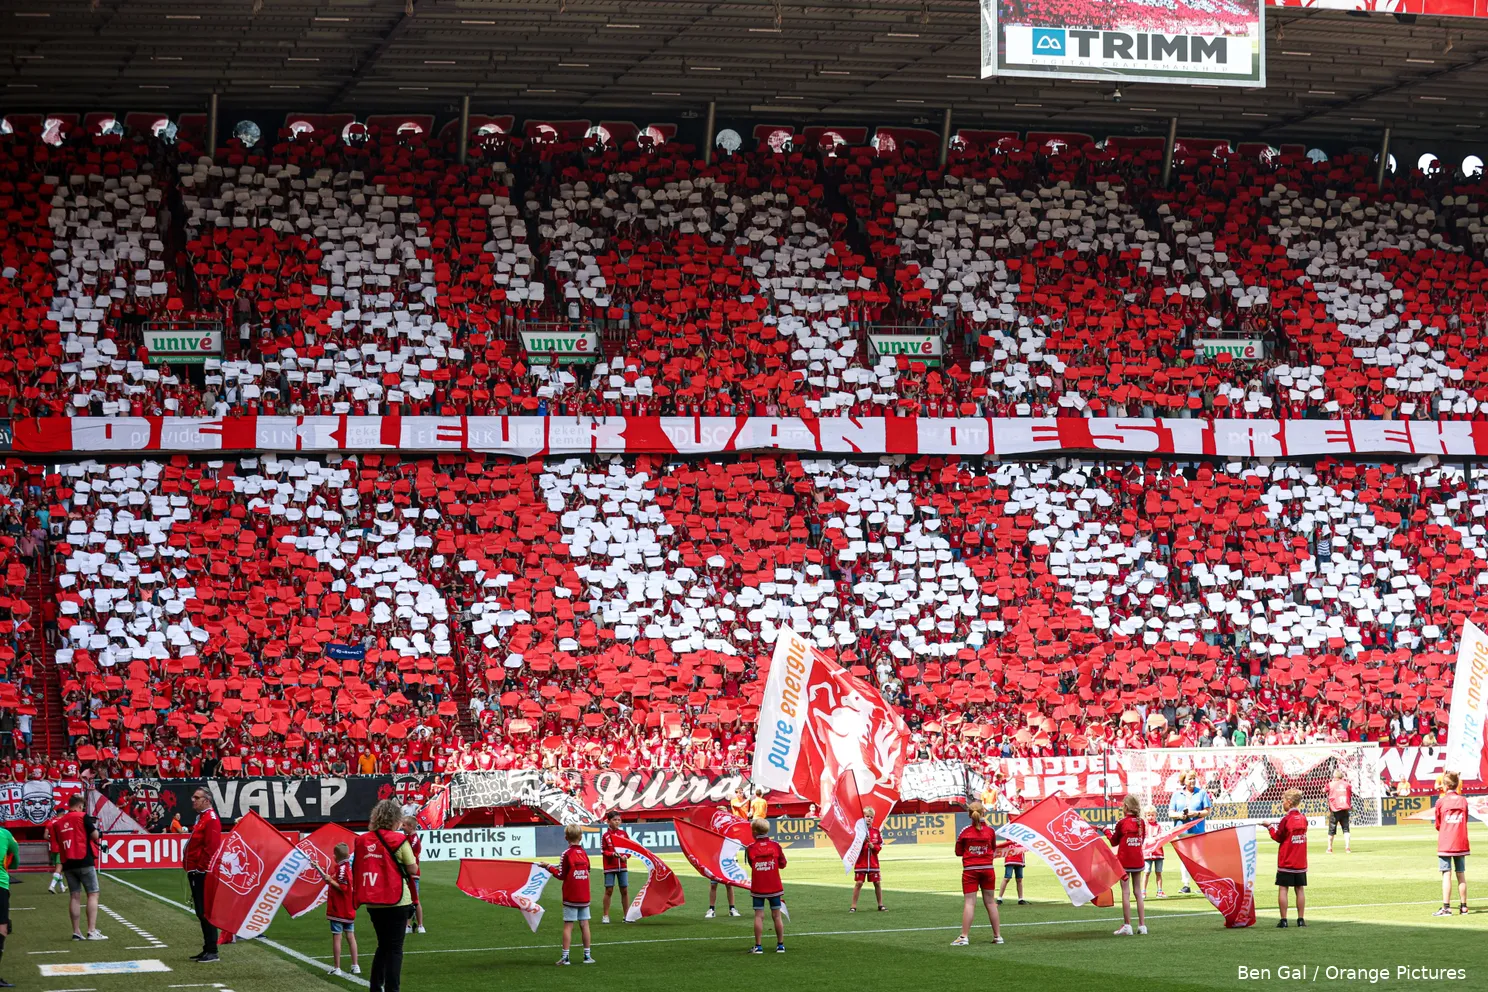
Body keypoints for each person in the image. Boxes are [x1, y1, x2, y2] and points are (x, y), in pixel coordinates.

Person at [355, 799, 419, 992]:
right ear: (396, 819)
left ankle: (375, 987)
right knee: (395, 949)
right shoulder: (399, 840)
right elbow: (412, 868)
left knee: (382, 945)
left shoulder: (362, 839)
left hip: (373, 900)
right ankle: (392, 988)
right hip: (397, 899)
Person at [49, 794, 104, 940]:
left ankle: (76, 932)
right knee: (92, 894)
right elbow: (95, 836)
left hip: (67, 861)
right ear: (80, 806)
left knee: (74, 895)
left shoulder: (59, 822)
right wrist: (98, 832)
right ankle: (91, 931)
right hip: (84, 860)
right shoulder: (82, 816)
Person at [951, 801, 1002, 946]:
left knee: (969, 903)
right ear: (983, 812)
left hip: (970, 870)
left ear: (969, 814)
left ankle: (964, 936)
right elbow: (993, 849)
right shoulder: (990, 831)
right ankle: (997, 936)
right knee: (991, 902)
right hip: (988, 869)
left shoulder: (965, 831)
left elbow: (958, 852)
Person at [183, 788, 223, 962]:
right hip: (195, 870)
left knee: (204, 910)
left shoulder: (211, 820)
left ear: (207, 800)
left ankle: (212, 950)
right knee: (201, 910)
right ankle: (208, 948)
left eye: (197, 797)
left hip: (202, 872)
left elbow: (211, 848)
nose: (193, 800)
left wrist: (201, 869)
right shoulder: (202, 818)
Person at [546, 823, 594, 965]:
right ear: (581, 837)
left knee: (568, 925)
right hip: (584, 895)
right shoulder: (584, 853)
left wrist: (548, 867)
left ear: (566, 837)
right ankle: (587, 956)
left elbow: (561, 875)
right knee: (584, 924)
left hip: (571, 895)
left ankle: (565, 957)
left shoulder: (566, 854)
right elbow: (588, 870)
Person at [1105, 795, 1148, 935]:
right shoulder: (1141, 822)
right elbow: (1141, 840)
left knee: (1125, 891)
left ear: (1126, 807)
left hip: (1124, 861)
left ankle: (1127, 925)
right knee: (1138, 892)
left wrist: (1105, 830)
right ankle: (1142, 925)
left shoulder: (1122, 823)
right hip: (1138, 861)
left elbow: (1113, 841)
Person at [744, 818, 786, 954]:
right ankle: (780, 945)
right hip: (775, 886)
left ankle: (758, 946)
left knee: (758, 916)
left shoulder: (750, 848)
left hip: (758, 887)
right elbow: (783, 864)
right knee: (777, 915)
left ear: (754, 832)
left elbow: (752, 864)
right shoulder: (775, 846)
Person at [1268, 788, 1308, 928]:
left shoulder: (1286, 819)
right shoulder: (1303, 819)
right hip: (1300, 861)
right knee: (1300, 889)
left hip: (1286, 860)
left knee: (1283, 889)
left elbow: (1278, 837)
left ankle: (1284, 920)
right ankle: (1301, 919)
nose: (1282, 803)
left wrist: (1269, 827)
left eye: (1283, 801)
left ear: (1289, 802)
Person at [1168, 771, 1212, 894]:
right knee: (1185, 858)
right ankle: (1186, 884)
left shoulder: (1202, 793)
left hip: (1197, 830)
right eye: (1190, 779)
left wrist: (1196, 813)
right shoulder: (1177, 794)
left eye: (1194, 778)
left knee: (1199, 858)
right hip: (1182, 830)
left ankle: (1203, 885)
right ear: (1184, 780)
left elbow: (1207, 811)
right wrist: (1180, 815)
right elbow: (1171, 813)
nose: (1192, 781)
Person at [1433, 771, 1470, 917]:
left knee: (1446, 874)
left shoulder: (1441, 801)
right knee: (1461, 874)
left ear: (1446, 785)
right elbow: (1465, 819)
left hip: (1446, 843)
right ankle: (1464, 907)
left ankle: (1446, 907)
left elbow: (1438, 823)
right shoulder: (1463, 800)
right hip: (1461, 841)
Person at [326, 842, 360, 977]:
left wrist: (330, 881)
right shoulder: (345, 867)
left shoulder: (342, 869)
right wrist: (329, 879)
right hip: (348, 909)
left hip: (339, 909)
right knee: (350, 936)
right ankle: (355, 965)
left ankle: (337, 967)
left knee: (337, 937)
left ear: (335, 856)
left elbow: (343, 888)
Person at [850, 805, 885, 912]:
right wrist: (863, 842)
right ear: (863, 818)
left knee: (877, 883)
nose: (869, 819)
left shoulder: (876, 832)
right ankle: (853, 906)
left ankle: (880, 904)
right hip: (861, 862)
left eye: (871, 817)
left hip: (873, 863)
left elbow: (879, 846)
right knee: (859, 883)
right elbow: (853, 847)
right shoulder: (857, 832)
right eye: (867, 816)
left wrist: (873, 847)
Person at [600, 810, 630, 924]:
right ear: (608, 821)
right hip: (609, 867)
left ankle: (626, 915)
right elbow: (603, 851)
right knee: (609, 890)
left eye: (619, 820)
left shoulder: (624, 834)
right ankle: (605, 915)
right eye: (614, 820)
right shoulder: (605, 836)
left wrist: (626, 857)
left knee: (624, 890)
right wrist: (612, 854)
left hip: (622, 866)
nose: (617, 822)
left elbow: (629, 849)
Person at [398, 817, 426, 934]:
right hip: (407, 874)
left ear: (410, 827)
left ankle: (420, 925)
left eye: (403, 825)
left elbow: (411, 856)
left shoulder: (414, 839)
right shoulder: (408, 838)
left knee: (415, 900)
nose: (401, 827)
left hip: (413, 874)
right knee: (408, 900)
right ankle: (408, 925)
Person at [0, 821, 19, 988]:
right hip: (0, 885)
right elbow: (16, 857)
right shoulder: (5, 834)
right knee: (2, 927)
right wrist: (9, 865)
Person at [1326, 769, 1353, 854]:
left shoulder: (1331, 784)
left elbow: (1324, 790)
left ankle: (1330, 848)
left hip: (1335, 810)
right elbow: (1349, 794)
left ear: (1335, 777)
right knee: (1346, 829)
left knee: (1331, 830)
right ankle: (1347, 848)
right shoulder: (1348, 785)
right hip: (1345, 809)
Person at [1142, 805, 1166, 898]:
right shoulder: (1144, 826)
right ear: (1145, 816)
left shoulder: (1158, 827)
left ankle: (1159, 891)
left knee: (1158, 872)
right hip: (1147, 854)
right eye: (1148, 815)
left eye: (1152, 815)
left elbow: (1161, 837)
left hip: (1158, 853)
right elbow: (1142, 838)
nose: (1151, 817)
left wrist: (1155, 839)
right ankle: (1143, 891)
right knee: (1146, 872)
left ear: (1156, 815)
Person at [996, 839, 1026, 905]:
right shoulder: (1009, 838)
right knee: (1007, 878)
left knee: (1019, 879)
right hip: (1010, 860)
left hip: (1019, 860)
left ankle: (1020, 899)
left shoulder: (1022, 839)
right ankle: (999, 898)